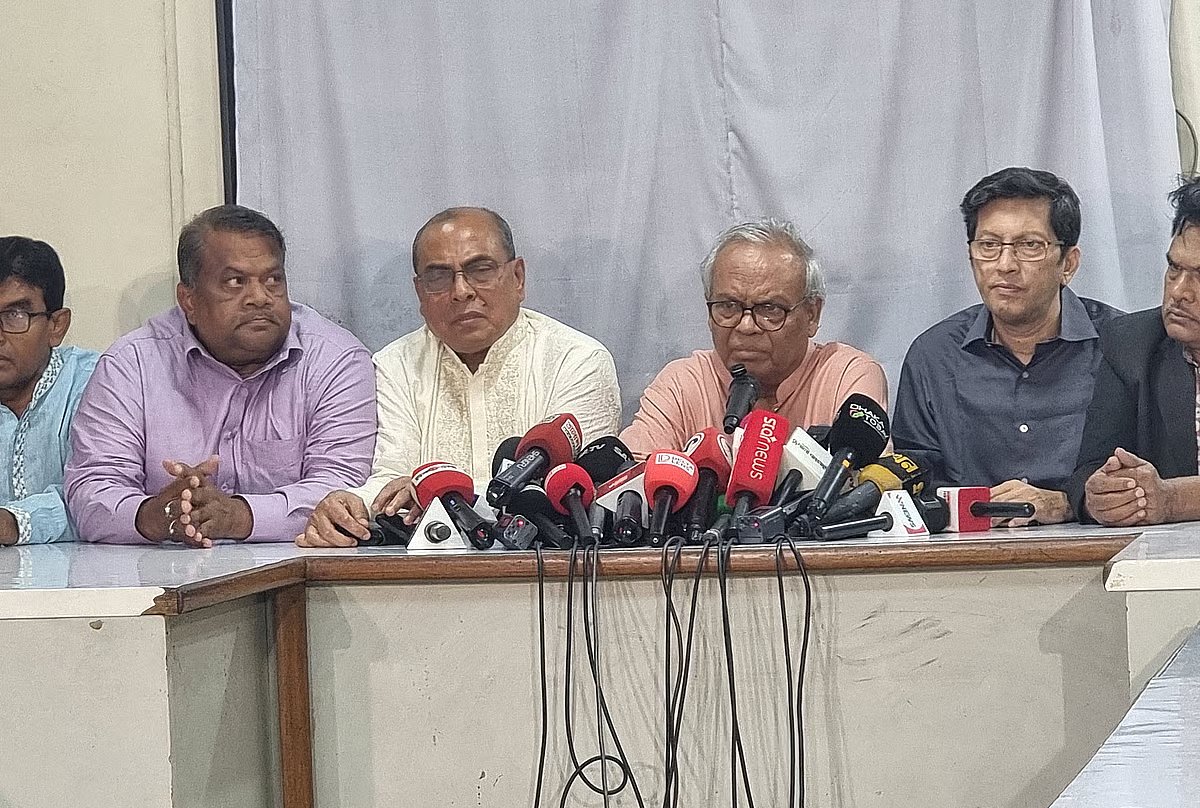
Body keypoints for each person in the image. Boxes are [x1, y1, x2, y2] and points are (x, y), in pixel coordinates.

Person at [297, 206, 621, 547]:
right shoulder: (396, 365)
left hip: (550, 570)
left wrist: (430, 491)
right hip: (425, 580)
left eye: (480, 270)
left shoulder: (578, 359)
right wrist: (353, 505)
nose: (461, 291)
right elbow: (391, 477)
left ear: (518, 278)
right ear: (420, 292)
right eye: (439, 277)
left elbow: (572, 489)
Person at [65, 205, 376, 546]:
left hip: (300, 579)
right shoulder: (132, 364)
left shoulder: (335, 360)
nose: (259, 298)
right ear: (189, 301)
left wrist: (239, 516)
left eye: (273, 280)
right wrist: (153, 516)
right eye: (235, 282)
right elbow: (90, 491)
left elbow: (344, 486)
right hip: (161, 577)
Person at [892, 167, 1122, 525]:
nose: (1004, 265)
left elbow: (1147, 476)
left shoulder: (1122, 346)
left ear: (1069, 264)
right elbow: (914, 487)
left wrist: (1067, 503)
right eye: (989, 245)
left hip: (1102, 556)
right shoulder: (933, 357)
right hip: (969, 563)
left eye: (1029, 245)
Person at [620, 218, 886, 456]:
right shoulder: (683, 384)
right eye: (728, 306)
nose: (746, 326)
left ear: (812, 315)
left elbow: (863, 486)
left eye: (770, 309)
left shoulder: (845, 375)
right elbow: (631, 483)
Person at [1068, 178, 1200, 526]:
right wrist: (1104, 495)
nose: (1179, 292)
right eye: (1174, 268)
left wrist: (1173, 500)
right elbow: (1090, 468)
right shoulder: (1132, 345)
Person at [0, 237, 98, 544]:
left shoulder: (97, 384)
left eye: (15, 315)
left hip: (88, 585)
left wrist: (11, 523)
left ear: (57, 325)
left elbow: (98, 497)